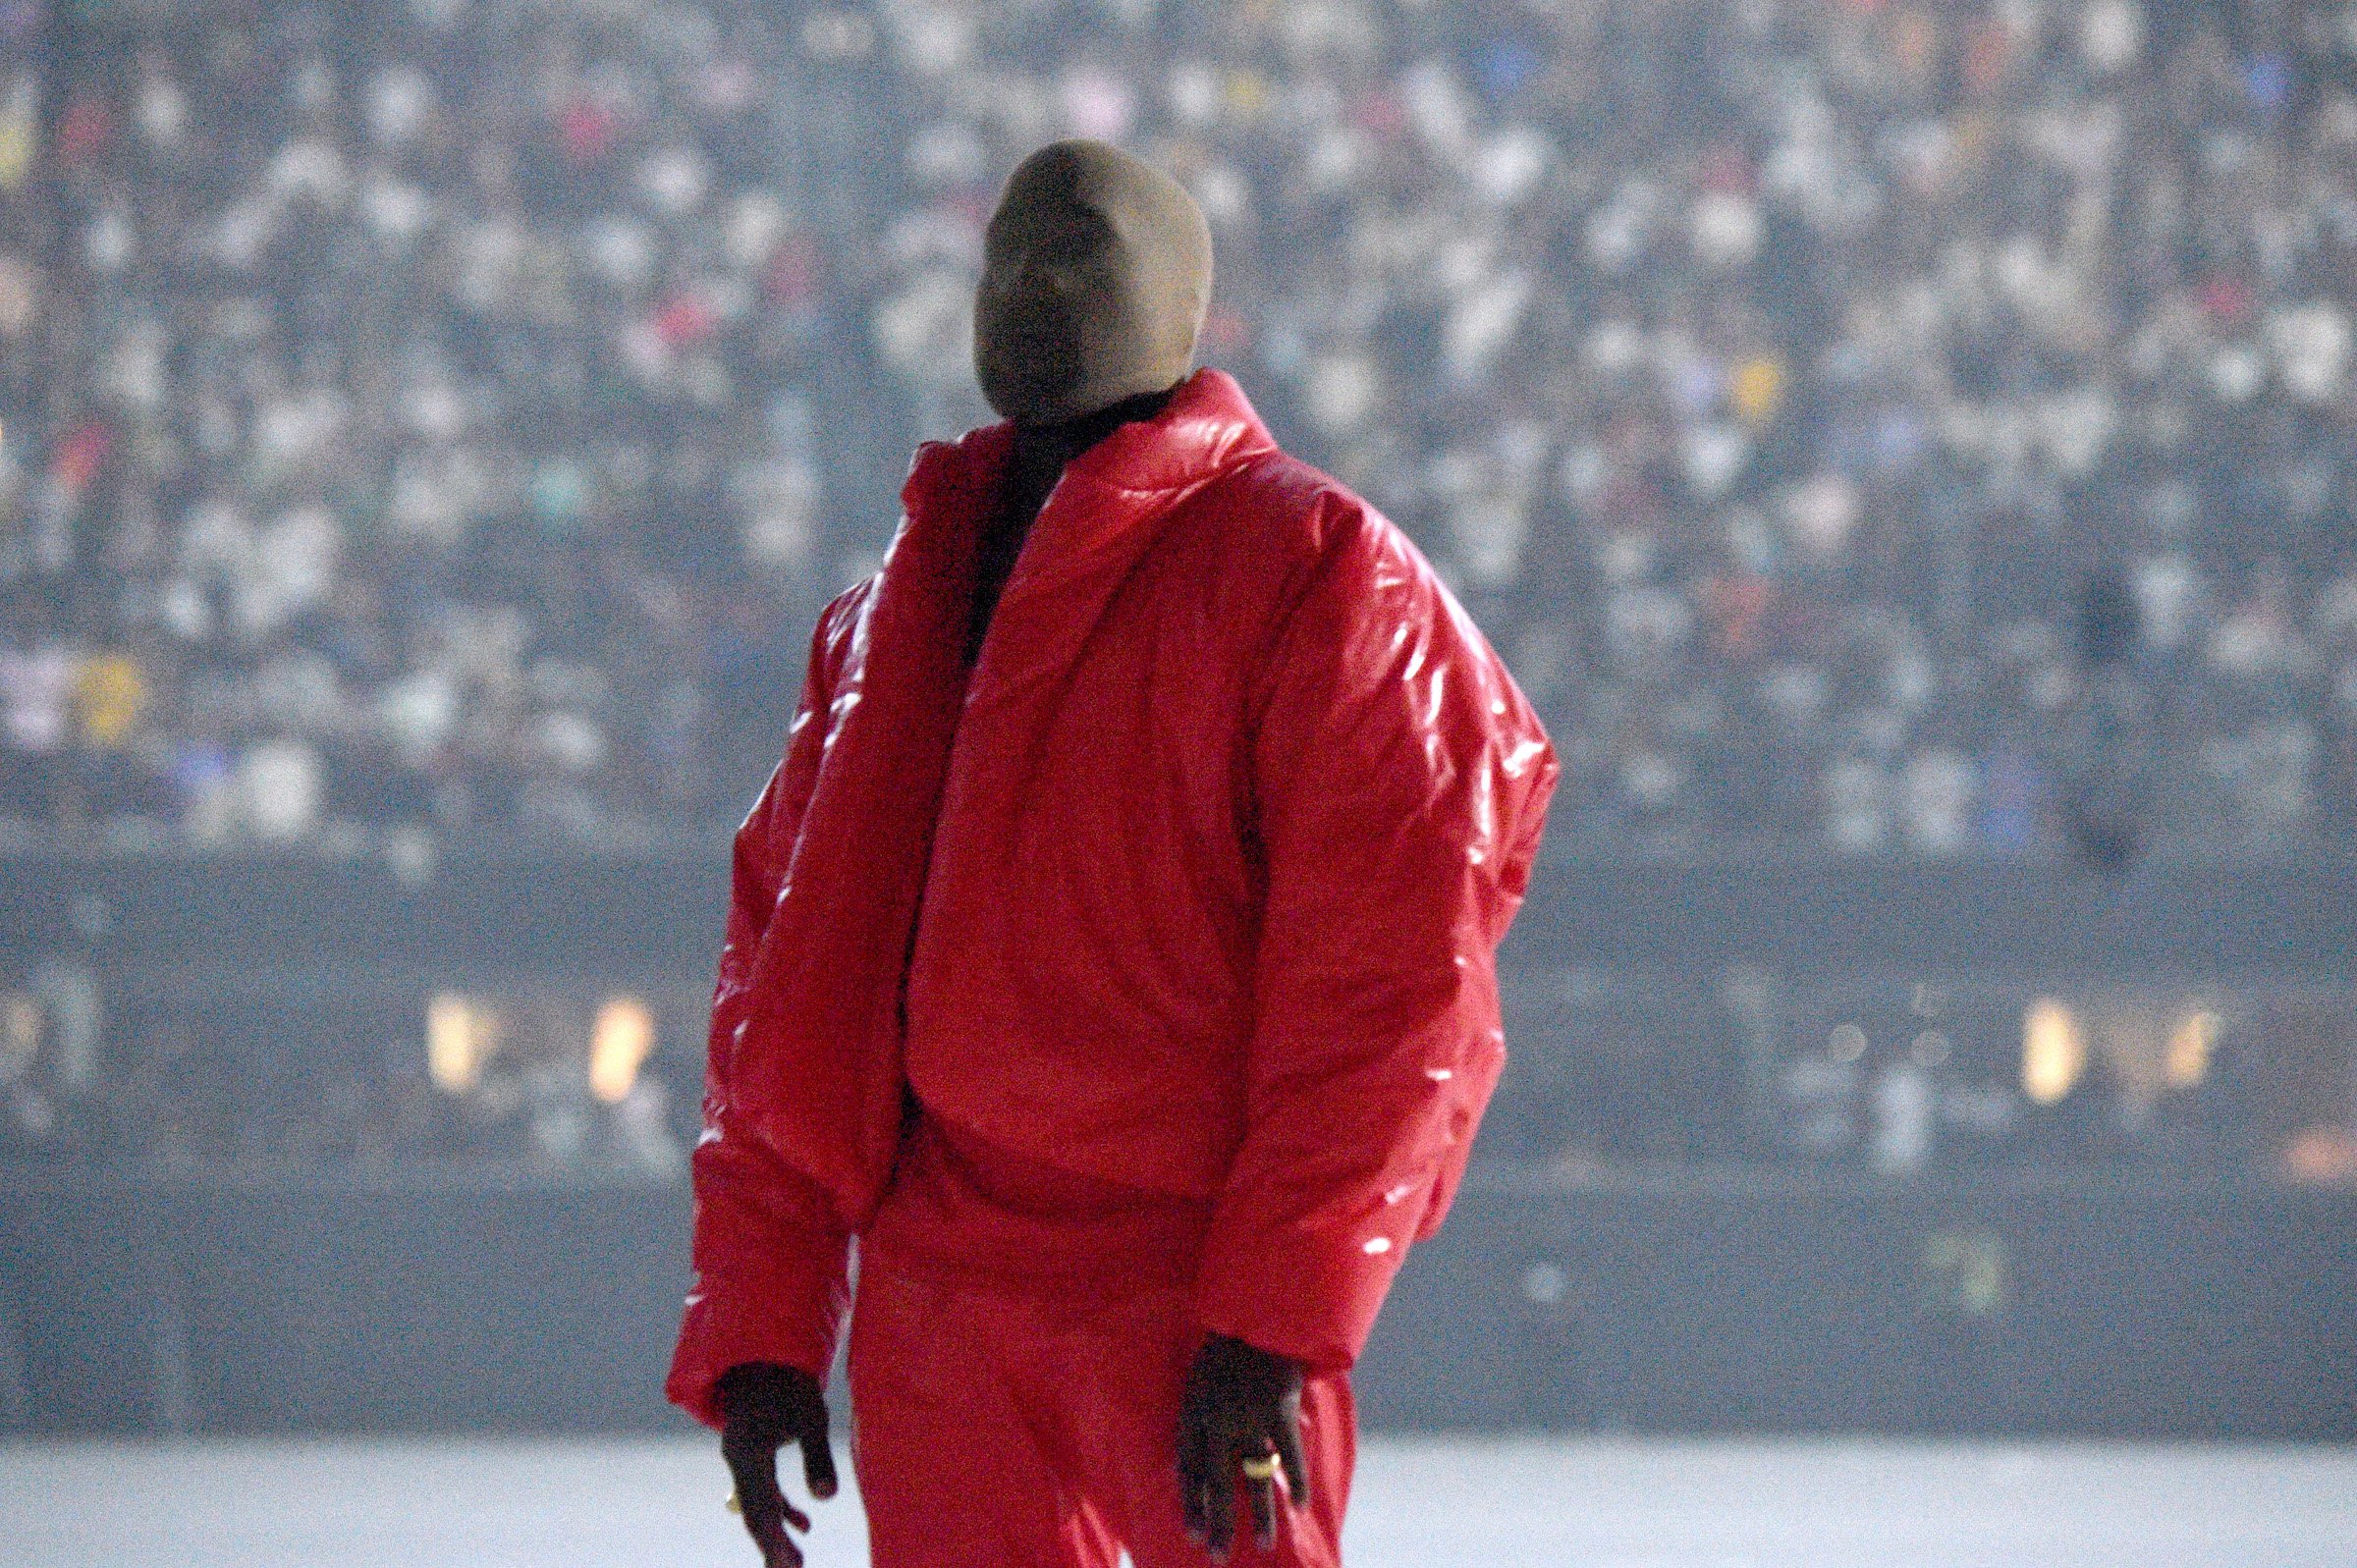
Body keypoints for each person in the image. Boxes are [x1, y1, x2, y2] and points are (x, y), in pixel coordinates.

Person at [667, 139, 1557, 1568]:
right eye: (1010, 254)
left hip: (1181, 1269)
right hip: (941, 1273)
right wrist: (765, 1321)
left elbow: (1397, 990)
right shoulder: (894, 612)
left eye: (1078, 260)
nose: (1034, 286)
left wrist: (1271, 1313)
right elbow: (788, 979)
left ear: (1179, 301)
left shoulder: (1320, 573)